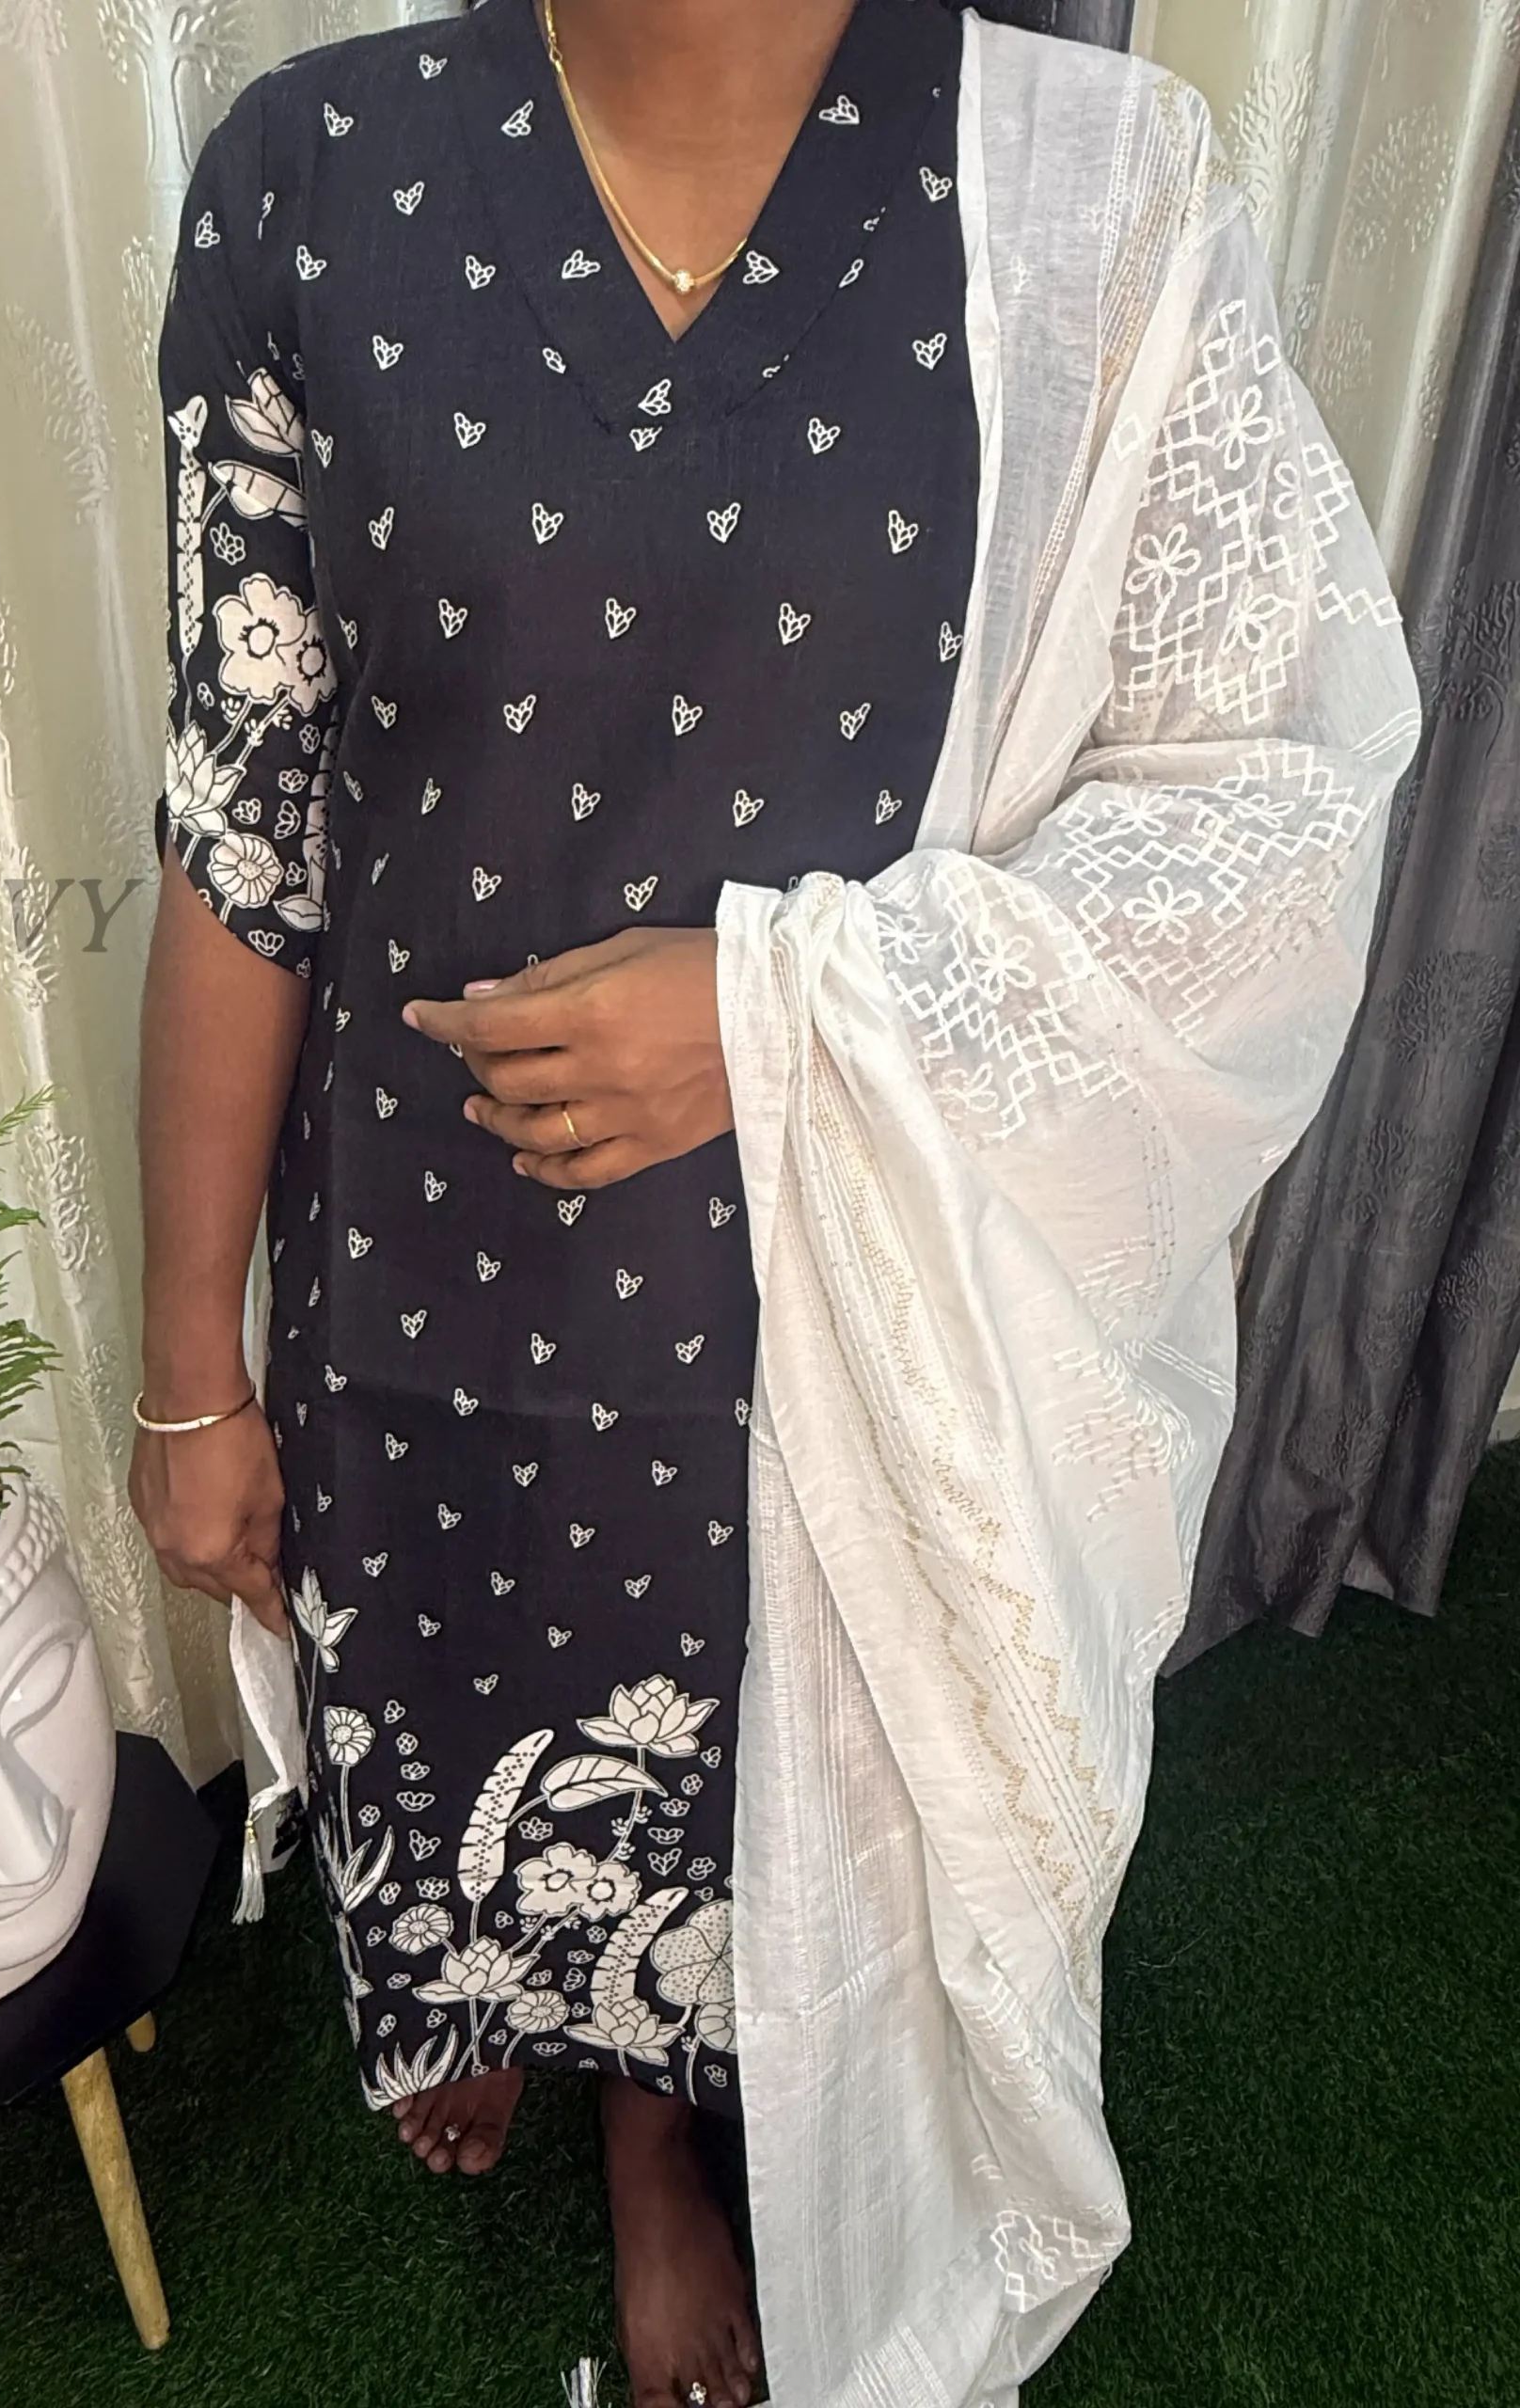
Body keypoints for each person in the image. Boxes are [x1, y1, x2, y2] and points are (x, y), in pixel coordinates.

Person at [128, 4, 1421, 2403]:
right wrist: (188, 1368)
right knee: (459, 1683)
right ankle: (483, 1996)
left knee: (748, 1751)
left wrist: (780, 1013)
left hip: (835, 1277)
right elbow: (244, 817)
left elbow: (1268, 804)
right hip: (427, 1252)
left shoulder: (1095, 197)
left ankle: (661, 2130)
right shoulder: (310, 177)